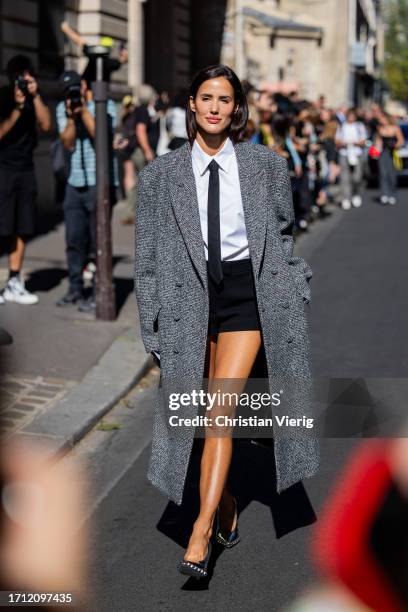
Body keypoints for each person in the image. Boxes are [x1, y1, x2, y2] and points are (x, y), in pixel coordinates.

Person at [134, 64, 319, 579]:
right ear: (191, 104)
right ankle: (229, 501)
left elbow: (282, 234)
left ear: (236, 109)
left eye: (225, 99)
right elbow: (146, 256)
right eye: (206, 97)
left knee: (220, 411)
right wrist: (150, 322)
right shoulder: (160, 176)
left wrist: (294, 281)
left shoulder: (266, 165)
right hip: (188, 301)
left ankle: (199, 533)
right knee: (198, 421)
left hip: (246, 296)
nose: (215, 107)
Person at [56, 71, 118, 310]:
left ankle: (98, 291)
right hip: (75, 181)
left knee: (97, 242)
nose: (72, 94)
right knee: (74, 239)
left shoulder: (105, 105)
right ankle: (75, 289)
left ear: (84, 85)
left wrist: (84, 112)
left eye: (74, 88)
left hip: (99, 182)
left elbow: (100, 136)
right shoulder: (65, 108)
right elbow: (67, 143)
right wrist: (73, 117)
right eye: (67, 91)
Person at [0, 55, 51, 305]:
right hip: (4, 168)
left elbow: (46, 124)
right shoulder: (3, 96)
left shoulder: (34, 99)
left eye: (28, 75)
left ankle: (14, 280)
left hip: (26, 168)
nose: (24, 80)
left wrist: (36, 95)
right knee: (3, 224)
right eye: (20, 75)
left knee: (23, 225)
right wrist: (17, 108)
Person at [335, 108, 367, 210]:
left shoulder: (359, 126)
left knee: (357, 176)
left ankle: (355, 194)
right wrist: (344, 143)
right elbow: (337, 141)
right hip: (345, 153)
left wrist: (355, 142)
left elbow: (363, 141)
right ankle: (346, 198)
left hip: (357, 153)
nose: (351, 118)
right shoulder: (341, 127)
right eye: (349, 116)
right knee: (345, 176)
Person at [375, 112, 404, 205]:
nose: (381, 120)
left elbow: (401, 141)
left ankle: (392, 194)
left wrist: (395, 145)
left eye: (382, 118)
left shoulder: (395, 128)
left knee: (392, 173)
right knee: (383, 173)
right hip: (383, 152)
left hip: (393, 152)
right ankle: (384, 193)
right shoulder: (380, 129)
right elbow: (378, 141)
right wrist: (375, 152)